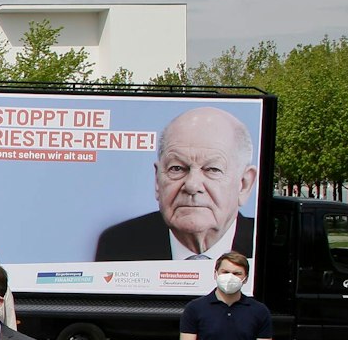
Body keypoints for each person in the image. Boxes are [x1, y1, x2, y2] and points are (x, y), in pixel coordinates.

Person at [94, 106, 258, 261]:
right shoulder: (119, 244)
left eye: (212, 169)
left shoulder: (265, 244)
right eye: (177, 168)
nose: (192, 186)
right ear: (157, 180)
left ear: (244, 184)